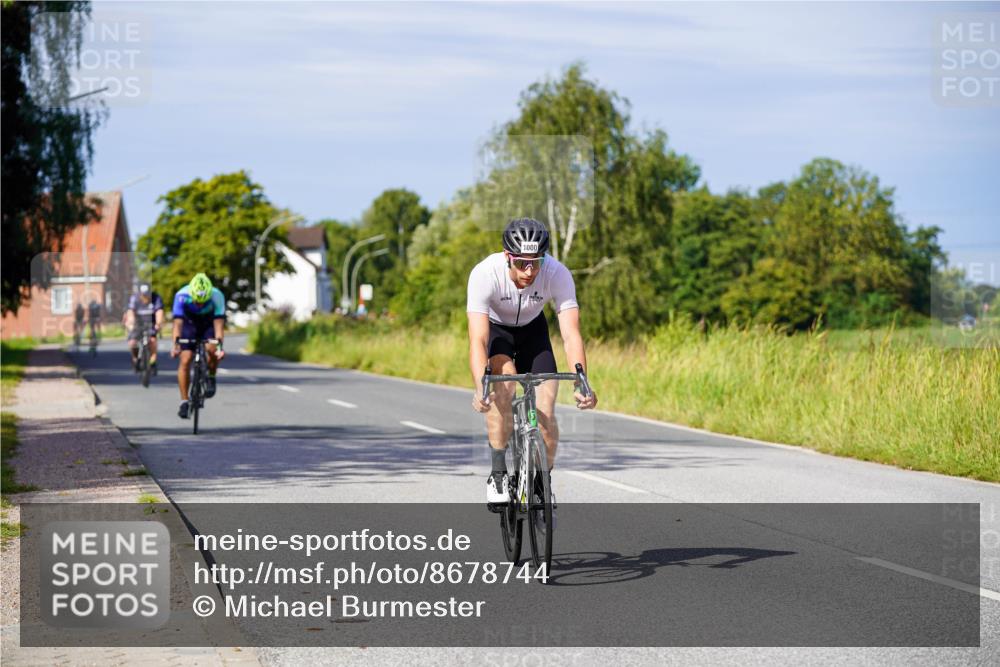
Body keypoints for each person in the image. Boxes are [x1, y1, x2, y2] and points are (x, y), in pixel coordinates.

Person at [466, 217, 598, 508]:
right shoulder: (484, 274)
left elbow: (571, 333)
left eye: (535, 263)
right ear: (507, 257)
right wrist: (481, 386)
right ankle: (499, 474)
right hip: (498, 333)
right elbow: (477, 338)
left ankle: (541, 483)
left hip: (533, 333)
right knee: (505, 388)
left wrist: (583, 381)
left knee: (546, 411)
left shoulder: (557, 273)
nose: (529, 271)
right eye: (521, 263)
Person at [170, 273, 226, 419]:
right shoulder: (181, 295)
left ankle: (211, 375)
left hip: (208, 323)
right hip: (189, 324)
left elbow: (219, 325)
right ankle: (184, 401)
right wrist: (176, 345)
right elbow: (177, 323)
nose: (200, 304)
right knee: (185, 359)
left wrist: (219, 348)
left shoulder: (217, 296)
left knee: (211, 349)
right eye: (197, 301)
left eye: (203, 301)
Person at [124, 283, 165, 372]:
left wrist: (158, 323)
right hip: (138, 323)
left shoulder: (156, 298)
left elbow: (159, 312)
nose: (145, 297)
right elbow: (130, 312)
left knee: (153, 341)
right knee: (132, 343)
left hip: (151, 323)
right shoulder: (134, 298)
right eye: (143, 295)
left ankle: (152, 361)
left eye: (147, 294)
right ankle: (135, 359)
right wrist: (131, 323)